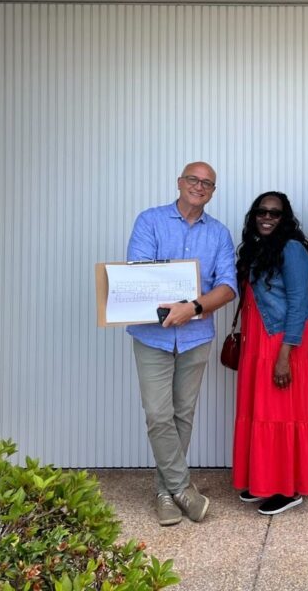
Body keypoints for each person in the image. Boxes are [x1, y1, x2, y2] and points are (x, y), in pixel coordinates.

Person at [126, 161, 237, 526]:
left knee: (181, 416)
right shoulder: (150, 221)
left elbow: (227, 286)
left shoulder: (219, 234)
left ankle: (164, 492)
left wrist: (192, 307)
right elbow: (139, 274)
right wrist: (175, 300)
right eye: (194, 179)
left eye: (207, 183)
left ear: (213, 191)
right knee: (158, 415)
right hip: (153, 337)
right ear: (179, 182)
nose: (199, 186)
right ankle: (183, 488)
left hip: (195, 338)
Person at [231, 192, 308, 515]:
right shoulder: (256, 248)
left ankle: (288, 488)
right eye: (262, 211)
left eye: (275, 213)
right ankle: (263, 481)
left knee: (282, 415)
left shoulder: (292, 249)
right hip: (259, 340)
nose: (267, 217)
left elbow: (299, 304)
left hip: (284, 341)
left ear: (285, 218)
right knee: (261, 413)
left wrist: (284, 355)